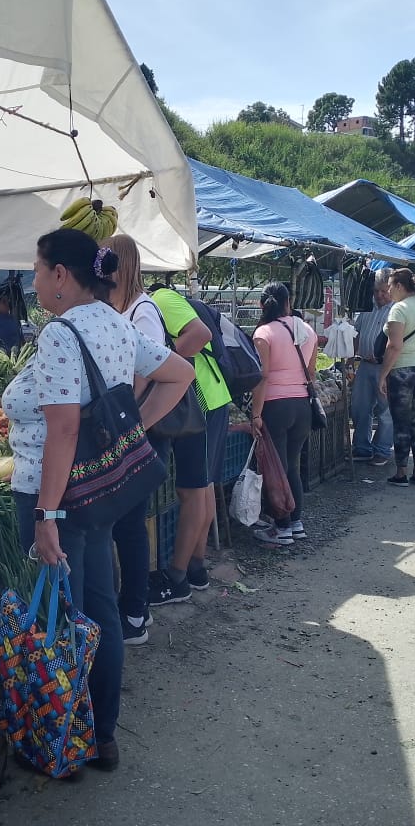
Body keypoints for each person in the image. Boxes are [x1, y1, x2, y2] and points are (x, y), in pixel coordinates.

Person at [3, 228, 193, 771]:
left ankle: (63, 737)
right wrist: (134, 429)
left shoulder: (61, 333)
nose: (34, 281)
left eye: (38, 270)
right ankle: (100, 735)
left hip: (55, 494)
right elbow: (179, 374)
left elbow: (62, 431)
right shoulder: (115, 322)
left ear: (61, 275)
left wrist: (45, 516)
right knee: (100, 609)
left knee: (62, 617)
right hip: (98, 491)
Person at [106, 233, 173, 645]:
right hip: (128, 428)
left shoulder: (142, 310)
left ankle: (134, 612)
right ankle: (131, 606)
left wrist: (118, 417)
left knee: (130, 524)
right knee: (124, 523)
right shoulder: (119, 309)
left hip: (140, 430)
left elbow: (145, 373)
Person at [147, 282, 233, 604]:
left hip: (202, 403)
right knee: (202, 487)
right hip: (207, 400)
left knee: (192, 490)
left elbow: (199, 335)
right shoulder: (163, 301)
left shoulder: (161, 298)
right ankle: (196, 568)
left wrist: (160, 364)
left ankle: (177, 577)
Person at [250, 282, 318, 543]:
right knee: (291, 465)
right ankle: (296, 521)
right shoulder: (307, 330)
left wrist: (256, 414)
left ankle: (281, 526)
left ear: (262, 304)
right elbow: (311, 373)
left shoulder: (263, 333)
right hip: (302, 405)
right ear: (289, 302)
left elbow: (262, 377)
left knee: (274, 468)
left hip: (275, 406)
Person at [378, 268, 415, 488]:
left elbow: (394, 346)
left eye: (391, 286)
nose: (389, 290)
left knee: (401, 422)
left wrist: (383, 374)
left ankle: (401, 472)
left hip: (403, 370)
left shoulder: (398, 309)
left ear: (400, 286)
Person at [351, 271, 393, 467]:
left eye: (384, 291)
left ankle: (382, 450)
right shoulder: (367, 308)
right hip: (365, 365)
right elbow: (356, 333)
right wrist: (351, 356)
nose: (379, 295)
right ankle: (361, 448)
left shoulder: (396, 311)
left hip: (386, 366)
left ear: (391, 290)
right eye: (376, 291)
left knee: (385, 411)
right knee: (360, 408)